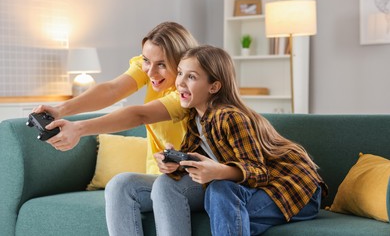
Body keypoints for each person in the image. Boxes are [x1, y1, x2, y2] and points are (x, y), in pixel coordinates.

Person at [33, 21, 198, 235]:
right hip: (159, 177)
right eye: (147, 61)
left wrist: (79, 129)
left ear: (183, 64)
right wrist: (60, 110)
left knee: (165, 188)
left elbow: (139, 115)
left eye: (162, 64)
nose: (151, 72)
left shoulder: (188, 92)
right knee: (120, 185)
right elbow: (112, 90)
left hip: (194, 181)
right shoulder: (151, 66)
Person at [152, 45, 328, 236]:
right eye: (180, 73)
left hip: (295, 189)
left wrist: (219, 171)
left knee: (219, 191)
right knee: (220, 197)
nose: (180, 82)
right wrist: (174, 163)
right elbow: (195, 162)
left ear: (214, 86)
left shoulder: (230, 117)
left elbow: (259, 172)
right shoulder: (195, 122)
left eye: (191, 77)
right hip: (251, 191)